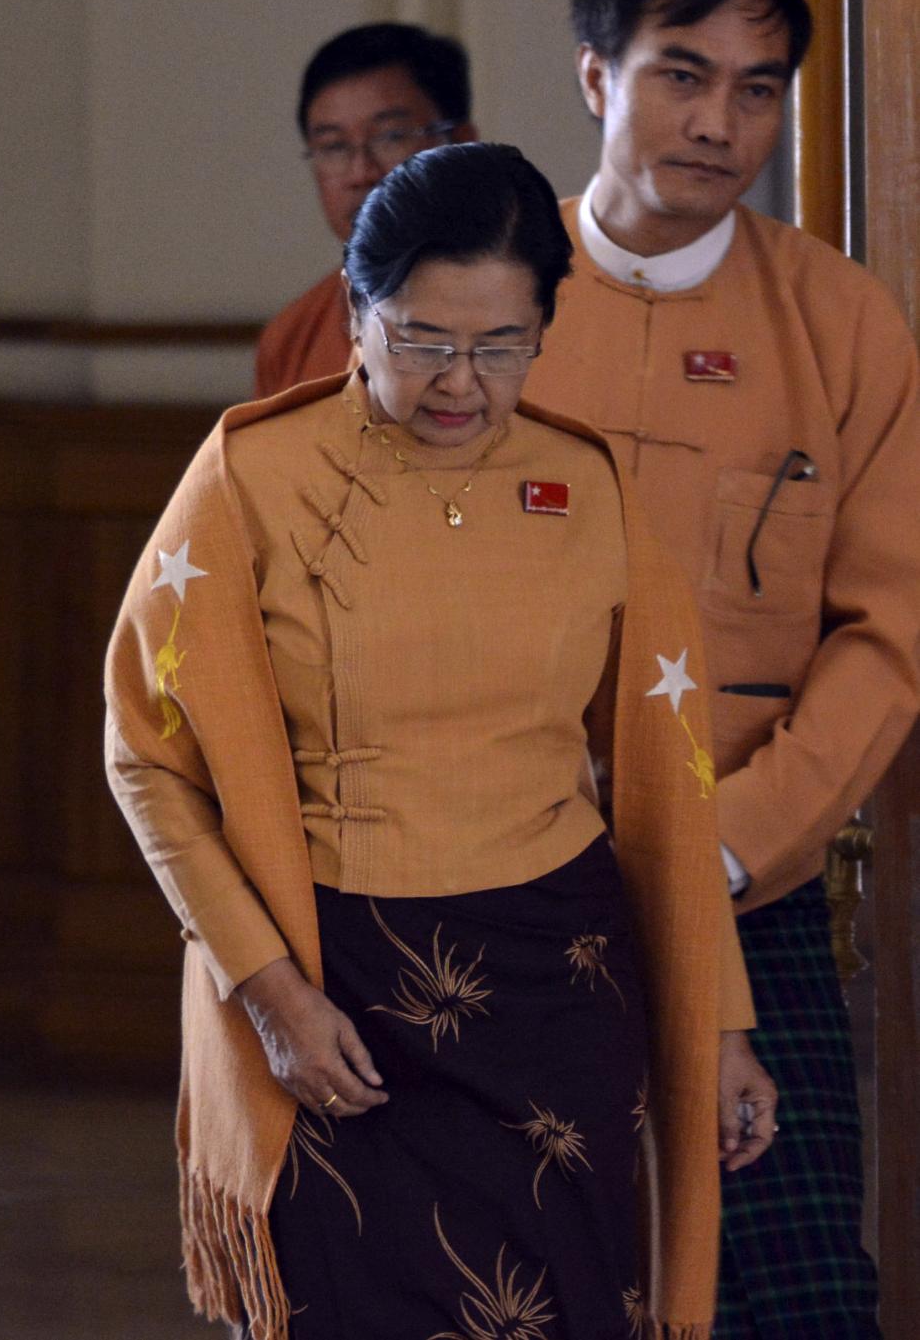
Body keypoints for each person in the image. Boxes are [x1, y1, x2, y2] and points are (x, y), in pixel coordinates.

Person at [107, 142, 772, 1339]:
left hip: (554, 987)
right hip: (334, 990)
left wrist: (717, 1024)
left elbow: (672, 788)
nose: (459, 381)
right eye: (419, 338)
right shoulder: (250, 475)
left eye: (501, 345)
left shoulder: (584, 482)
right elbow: (147, 761)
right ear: (356, 314)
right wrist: (267, 996)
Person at [524, 0, 920, 1339]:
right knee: (533, 1285)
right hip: (506, 883)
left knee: (803, 1293)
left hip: (755, 886)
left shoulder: (841, 324)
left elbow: (892, 631)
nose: (719, 120)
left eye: (759, 87)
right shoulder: (481, 306)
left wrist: (736, 841)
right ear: (594, 78)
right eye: (681, 73)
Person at [255, 23, 475, 396]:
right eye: (334, 146)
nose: (361, 173)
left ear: (463, 144)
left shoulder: (539, 312)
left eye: (391, 137)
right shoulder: (292, 336)